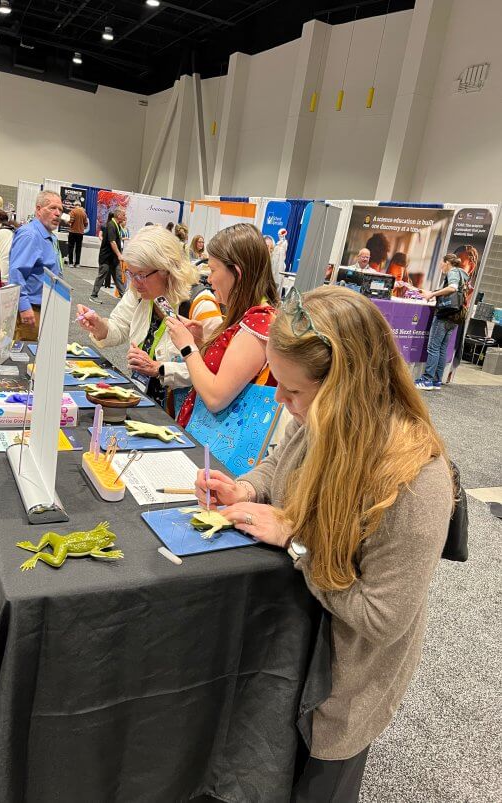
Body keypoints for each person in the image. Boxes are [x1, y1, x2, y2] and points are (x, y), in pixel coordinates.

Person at [196, 284, 454, 801]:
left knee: (315, 783)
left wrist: (296, 543)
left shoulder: (414, 480)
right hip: (285, 646)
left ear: (344, 387)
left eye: (292, 391)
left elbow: (382, 618)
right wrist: (245, 487)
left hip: (341, 680)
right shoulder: (317, 416)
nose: (279, 401)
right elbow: (278, 464)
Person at [77, 225, 222, 406]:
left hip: (180, 414)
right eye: (131, 274)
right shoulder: (140, 292)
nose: (135, 283)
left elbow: (215, 372)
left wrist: (159, 369)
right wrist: (100, 326)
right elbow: (118, 327)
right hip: (142, 400)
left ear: (167, 269)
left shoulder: (201, 305)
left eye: (142, 275)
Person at [167, 223, 279, 428]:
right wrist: (199, 342)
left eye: (213, 270)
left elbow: (216, 398)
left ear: (236, 272)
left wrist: (187, 347)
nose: (209, 279)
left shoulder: (258, 323)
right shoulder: (249, 317)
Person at [8, 190, 64, 340]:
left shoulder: (50, 237)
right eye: (52, 208)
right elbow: (16, 273)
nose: (58, 213)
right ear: (38, 209)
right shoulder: (30, 235)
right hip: (31, 311)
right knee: (26, 357)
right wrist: (24, 306)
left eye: (60, 210)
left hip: (46, 307)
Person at [415, 253, 469, 390]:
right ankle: (436, 380)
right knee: (442, 348)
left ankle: (427, 380)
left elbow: (453, 288)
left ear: (447, 263)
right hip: (454, 316)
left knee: (433, 347)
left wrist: (432, 294)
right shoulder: (462, 274)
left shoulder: (453, 272)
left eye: (441, 263)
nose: (440, 266)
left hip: (445, 315)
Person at [89, 207, 127, 301]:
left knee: (118, 277)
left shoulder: (117, 225)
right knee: (102, 275)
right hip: (106, 257)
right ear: (118, 215)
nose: (125, 217)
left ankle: (124, 298)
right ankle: (93, 296)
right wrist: (119, 254)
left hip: (113, 258)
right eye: (123, 215)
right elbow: (112, 242)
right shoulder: (111, 225)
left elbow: (116, 241)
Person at [68, 201, 89, 267]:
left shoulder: (73, 211)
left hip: (72, 232)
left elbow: (71, 220)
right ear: (79, 205)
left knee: (71, 247)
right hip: (80, 233)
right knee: (78, 248)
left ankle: (71, 263)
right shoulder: (84, 213)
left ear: (75, 205)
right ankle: (77, 263)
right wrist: (82, 226)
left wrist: (67, 222)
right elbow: (86, 223)